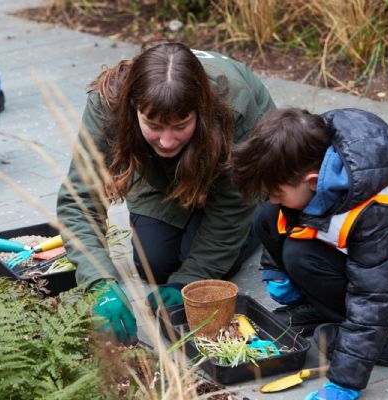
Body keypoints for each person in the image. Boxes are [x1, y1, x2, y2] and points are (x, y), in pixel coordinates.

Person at [57, 42, 275, 345]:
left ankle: (262, 216)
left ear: (198, 110)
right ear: (134, 109)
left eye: (180, 125)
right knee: (155, 262)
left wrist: (191, 276)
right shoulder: (108, 105)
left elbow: (232, 204)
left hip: (236, 167)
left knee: (203, 268)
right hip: (160, 171)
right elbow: (79, 201)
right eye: (154, 125)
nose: (168, 141)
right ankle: (188, 200)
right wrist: (97, 280)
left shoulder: (233, 108)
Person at [232, 108, 388, 400]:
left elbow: (374, 296)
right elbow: (284, 216)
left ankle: (386, 339)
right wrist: (275, 269)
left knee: (300, 256)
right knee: (267, 215)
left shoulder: (378, 212)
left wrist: (346, 381)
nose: (272, 197)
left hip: (387, 290)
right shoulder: (313, 151)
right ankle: (315, 306)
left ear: (312, 181)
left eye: (276, 191)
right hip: (367, 268)